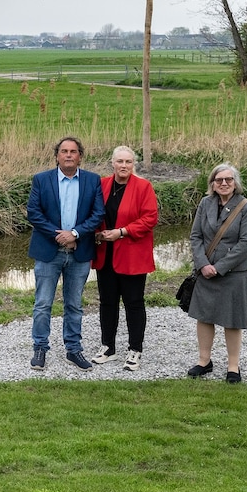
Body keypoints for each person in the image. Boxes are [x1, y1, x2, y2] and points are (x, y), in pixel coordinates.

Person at [26, 136, 105, 372]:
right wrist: (57, 234)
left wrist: (76, 233)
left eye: (73, 151)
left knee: (74, 305)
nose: (69, 155)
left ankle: (73, 349)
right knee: (42, 304)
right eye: (64, 151)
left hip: (78, 252)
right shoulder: (42, 180)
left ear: (80, 155)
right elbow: (34, 212)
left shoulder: (92, 181)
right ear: (57, 155)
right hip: (49, 252)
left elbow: (98, 213)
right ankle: (40, 348)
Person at [186, 163, 247, 384]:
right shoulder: (205, 203)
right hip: (205, 270)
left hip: (233, 273)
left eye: (228, 179)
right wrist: (203, 264)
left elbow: (246, 242)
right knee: (204, 317)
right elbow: (196, 237)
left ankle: (233, 366)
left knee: (232, 320)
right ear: (213, 184)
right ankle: (204, 361)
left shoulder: (246, 207)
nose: (224, 183)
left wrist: (219, 267)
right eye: (219, 180)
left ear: (235, 183)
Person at [91, 146, 159, 371]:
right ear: (112, 163)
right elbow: (92, 212)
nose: (124, 166)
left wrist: (122, 232)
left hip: (132, 254)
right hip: (106, 254)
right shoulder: (102, 185)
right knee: (107, 302)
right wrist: (97, 233)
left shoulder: (143, 187)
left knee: (134, 303)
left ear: (133, 165)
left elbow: (150, 218)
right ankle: (107, 347)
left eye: (128, 162)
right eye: (120, 161)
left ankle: (135, 349)